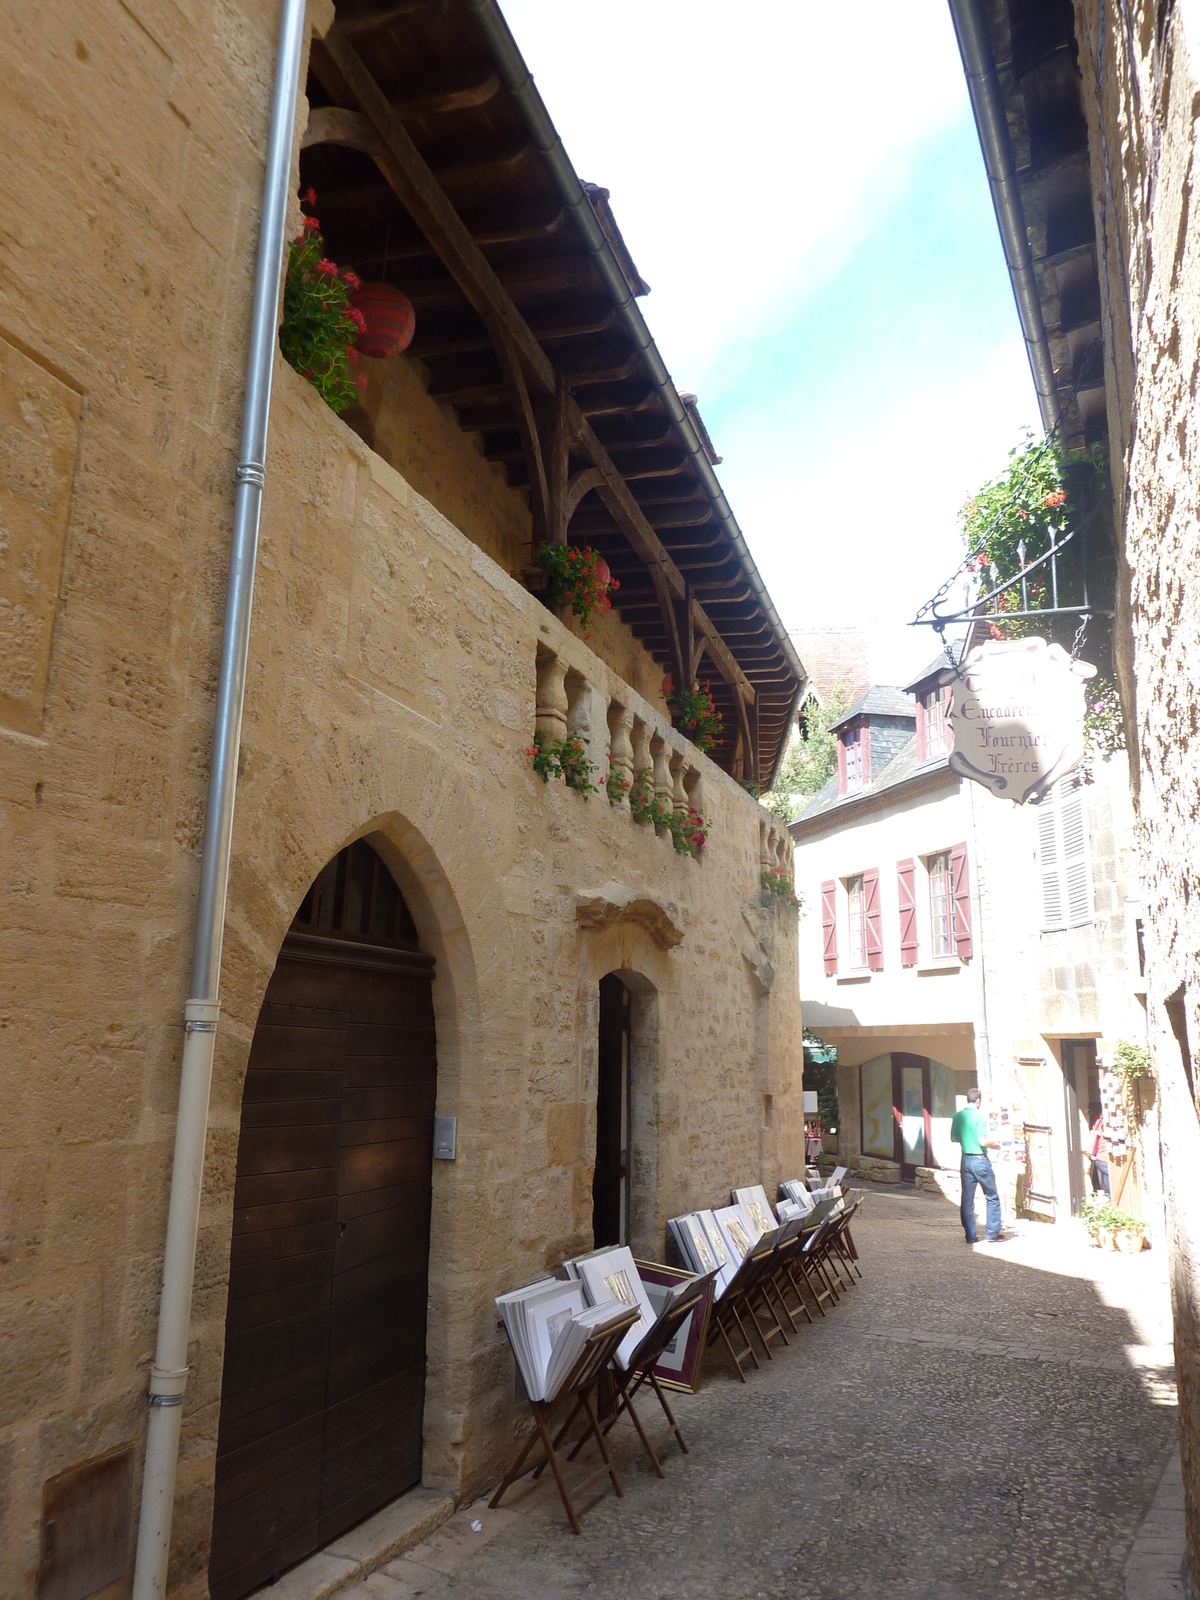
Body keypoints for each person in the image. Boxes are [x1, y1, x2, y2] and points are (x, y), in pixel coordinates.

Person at [950, 1087, 1005, 1244]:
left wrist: (966, 1139)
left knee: (967, 1199)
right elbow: (982, 1141)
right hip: (980, 1160)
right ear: (978, 1101)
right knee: (991, 1196)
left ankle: (970, 1235)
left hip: (965, 1159)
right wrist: (995, 1144)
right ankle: (992, 1233)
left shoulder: (957, 1116)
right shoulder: (979, 1118)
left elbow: (954, 1138)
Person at [1089, 1116, 1111, 1197]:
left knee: (1105, 1176)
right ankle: (1108, 1195)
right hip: (1103, 1159)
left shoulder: (1098, 1123)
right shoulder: (1105, 1136)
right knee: (1108, 1175)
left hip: (1098, 1158)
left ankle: (1106, 1193)